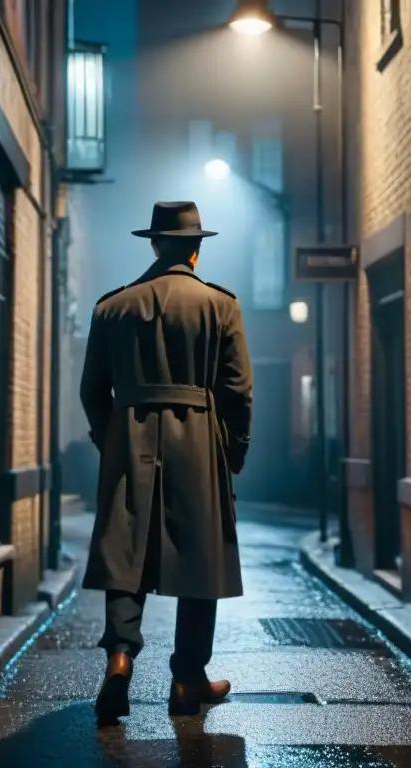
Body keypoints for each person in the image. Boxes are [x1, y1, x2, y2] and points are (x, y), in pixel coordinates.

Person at [79, 201, 254, 725]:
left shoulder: (112, 307)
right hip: (199, 440)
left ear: (154, 245)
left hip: (128, 435)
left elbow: (92, 389)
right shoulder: (220, 305)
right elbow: (238, 390)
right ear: (196, 249)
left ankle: (120, 658)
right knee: (200, 558)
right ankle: (187, 678)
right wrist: (233, 451)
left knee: (124, 553)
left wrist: (110, 440)